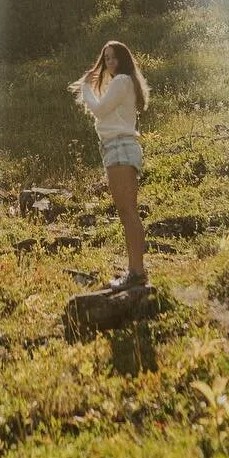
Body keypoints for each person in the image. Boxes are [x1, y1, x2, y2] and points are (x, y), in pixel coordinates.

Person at [69, 39, 150, 291]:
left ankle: (136, 272)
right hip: (116, 147)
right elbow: (105, 110)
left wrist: (85, 87)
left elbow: (99, 110)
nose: (110, 62)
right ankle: (135, 270)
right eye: (107, 59)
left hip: (120, 147)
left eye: (114, 57)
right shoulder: (123, 82)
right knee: (127, 212)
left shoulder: (122, 81)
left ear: (123, 59)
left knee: (128, 213)